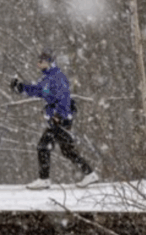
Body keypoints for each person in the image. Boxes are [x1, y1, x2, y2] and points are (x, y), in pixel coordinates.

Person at [11, 49, 97, 189]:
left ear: (49, 62)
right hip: (57, 118)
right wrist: (20, 87)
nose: (38, 63)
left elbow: (64, 97)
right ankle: (89, 173)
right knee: (67, 150)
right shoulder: (47, 79)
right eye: (38, 61)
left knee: (43, 146)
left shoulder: (57, 77)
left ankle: (44, 179)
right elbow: (37, 90)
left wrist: (59, 115)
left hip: (60, 119)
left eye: (41, 61)